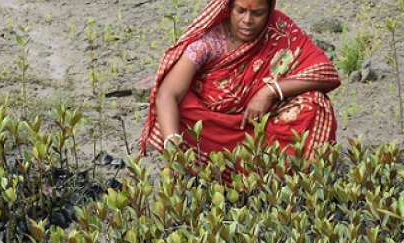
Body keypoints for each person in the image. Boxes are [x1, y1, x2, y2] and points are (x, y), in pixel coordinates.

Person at [140, 0, 341, 159]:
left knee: (315, 104)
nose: (247, 20)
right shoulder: (209, 43)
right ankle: (208, 174)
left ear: (270, 11)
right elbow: (167, 93)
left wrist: (270, 91)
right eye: (241, 11)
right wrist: (172, 141)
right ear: (228, 7)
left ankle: (295, 182)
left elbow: (325, 74)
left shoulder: (280, 31)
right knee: (179, 108)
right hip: (214, 133)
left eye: (257, 13)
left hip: (262, 127)